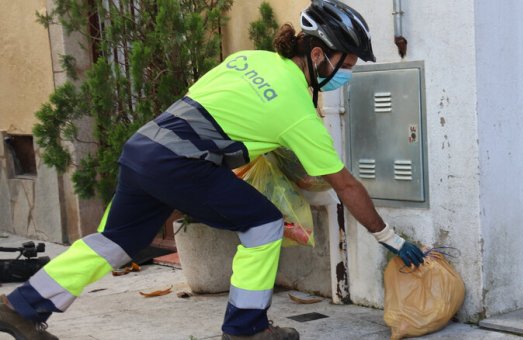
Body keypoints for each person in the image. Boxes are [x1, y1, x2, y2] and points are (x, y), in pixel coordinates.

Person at [0, 0, 425, 339]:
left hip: (145, 148)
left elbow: (218, 111)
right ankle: (246, 328)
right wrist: (388, 237)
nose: (346, 76)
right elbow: (344, 185)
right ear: (318, 55)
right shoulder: (296, 108)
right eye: (346, 66)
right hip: (182, 164)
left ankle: (21, 307)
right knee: (262, 224)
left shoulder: (250, 59)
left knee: (115, 241)